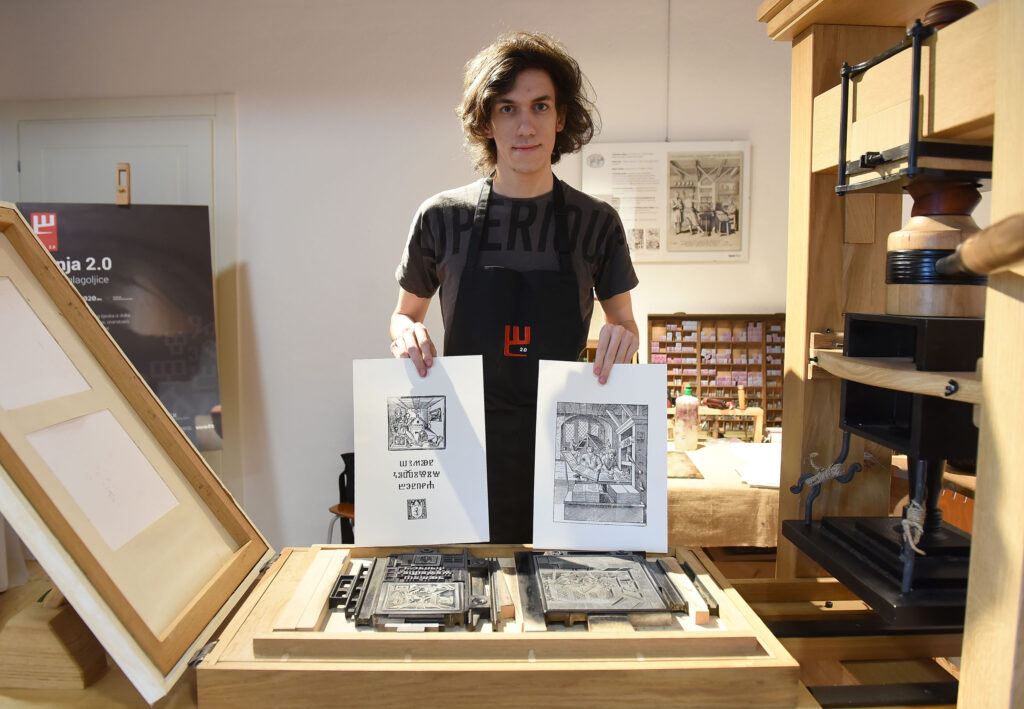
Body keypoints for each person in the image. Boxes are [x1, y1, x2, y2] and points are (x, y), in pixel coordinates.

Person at [390, 32, 639, 542]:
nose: (526, 126)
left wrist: (624, 337)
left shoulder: (597, 223)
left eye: (540, 106)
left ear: (561, 117)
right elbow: (404, 316)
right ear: (486, 121)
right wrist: (406, 334)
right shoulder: (441, 218)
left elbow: (625, 324)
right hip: (464, 446)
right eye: (508, 109)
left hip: (568, 450)